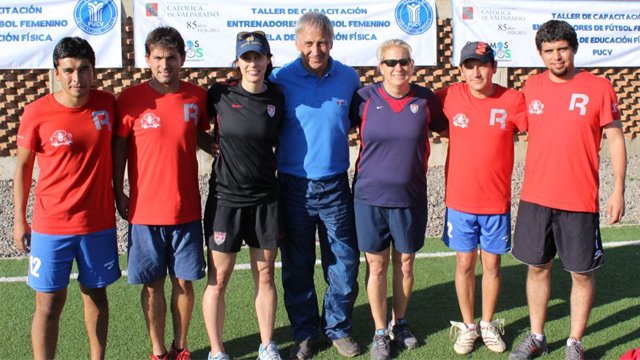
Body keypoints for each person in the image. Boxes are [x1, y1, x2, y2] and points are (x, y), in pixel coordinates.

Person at [509, 20, 627, 360]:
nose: (556, 57)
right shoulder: (530, 87)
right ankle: (536, 336)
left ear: (573, 48)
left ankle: (574, 342)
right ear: (540, 54)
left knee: (581, 273)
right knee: (536, 267)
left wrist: (618, 189)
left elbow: (616, 139)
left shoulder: (599, 87)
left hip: (579, 199)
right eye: (548, 51)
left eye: (562, 49)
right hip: (535, 197)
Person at [13, 37, 121, 360]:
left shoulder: (108, 104)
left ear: (94, 70)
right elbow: (21, 169)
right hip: (51, 226)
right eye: (70, 70)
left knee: (96, 294)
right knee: (48, 303)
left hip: (97, 223)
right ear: (57, 73)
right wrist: (20, 219)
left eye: (84, 69)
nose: (78, 78)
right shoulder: (36, 113)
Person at [269, 12, 362, 359]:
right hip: (293, 187)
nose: (316, 49)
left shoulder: (348, 79)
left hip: (336, 185)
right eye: (308, 43)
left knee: (344, 261)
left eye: (322, 41)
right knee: (297, 264)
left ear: (332, 41)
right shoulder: (280, 79)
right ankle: (306, 332)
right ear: (297, 44)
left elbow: (356, 120)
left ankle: (337, 328)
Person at [113, 26, 209, 360]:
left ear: (182, 58)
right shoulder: (130, 99)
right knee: (152, 285)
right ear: (147, 60)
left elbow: (203, 137)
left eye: (171, 57)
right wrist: (118, 191)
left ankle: (180, 347)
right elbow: (120, 147)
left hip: (186, 210)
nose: (164, 64)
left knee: (185, 283)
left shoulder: (196, 96)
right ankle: (157, 351)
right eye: (158, 58)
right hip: (145, 213)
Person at [350, 39, 447, 360]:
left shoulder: (426, 100)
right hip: (370, 197)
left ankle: (400, 322)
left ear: (412, 65)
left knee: (405, 264)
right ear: (380, 67)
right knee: (376, 266)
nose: (398, 68)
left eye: (403, 61)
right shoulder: (363, 99)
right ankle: (380, 331)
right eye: (390, 63)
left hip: (410, 198)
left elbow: (456, 127)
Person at [437, 41, 527, 355]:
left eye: (483, 64)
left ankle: (487, 323)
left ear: (493, 67)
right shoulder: (448, 96)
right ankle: (468, 325)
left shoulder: (513, 100)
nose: (477, 71)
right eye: (470, 65)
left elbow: (541, 130)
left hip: (496, 201)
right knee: (463, 263)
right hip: (459, 201)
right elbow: (418, 114)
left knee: (492, 265)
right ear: (461, 70)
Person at [201, 31, 284, 360]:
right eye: (246, 57)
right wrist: (209, 146)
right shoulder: (219, 95)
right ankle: (217, 351)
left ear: (268, 60)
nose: (253, 63)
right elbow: (193, 127)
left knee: (265, 274)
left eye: (258, 56)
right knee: (218, 278)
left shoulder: (278, 97)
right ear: (237, 62)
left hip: (265, 199)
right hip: (226, 200)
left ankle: (267, 345)